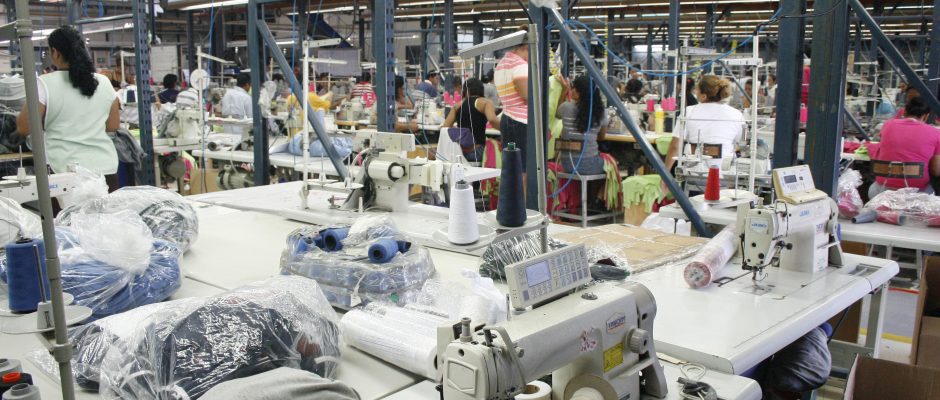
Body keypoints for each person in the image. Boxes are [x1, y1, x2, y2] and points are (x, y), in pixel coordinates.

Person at [16, 26, 120, 192]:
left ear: (55, 52)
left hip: (64, 171)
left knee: (67, 211)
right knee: (105, 210)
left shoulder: (44, 84)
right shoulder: (104, 82)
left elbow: (24, 127)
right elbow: (113, 125)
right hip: (104, 169)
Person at [664, 75, 745, 170]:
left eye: (697, 90)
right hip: (725, 170)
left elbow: (675, 146)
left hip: (695, 171)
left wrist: (665, 173)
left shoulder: (689, 112)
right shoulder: (736, 114)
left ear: (704, 95)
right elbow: (741, 142)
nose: (695, 92)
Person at [869, 97, 940, 198]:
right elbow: (936, 170)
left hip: (881, 193)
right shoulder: (935, 133)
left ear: (904, 111)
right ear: (926, 116)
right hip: (917, 196)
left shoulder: (888, 125)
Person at [556, 75, 608, 175]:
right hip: (590, 164)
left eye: (574, 88)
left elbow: (557, 114)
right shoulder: (600, 112)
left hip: (567, 164)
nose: (572, 91)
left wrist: (564, 91)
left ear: (580, 92)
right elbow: (602, 137)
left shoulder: (566, 107)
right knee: (611, 164)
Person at [495, 27, 530, 170]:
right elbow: (527, 95)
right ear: (526, 46)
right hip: (521, 123)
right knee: (523, 168)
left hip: (507, 119)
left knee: (511, 167)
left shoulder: (502, 64)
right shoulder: (520, 65)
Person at [442, 78, 501, 162]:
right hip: (478, 151)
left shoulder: (457, 106)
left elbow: (445, 127)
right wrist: (505, 130)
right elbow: (492, 120)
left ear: (465, 90)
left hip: (459, 152)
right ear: (481, 89)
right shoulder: (485, 103)